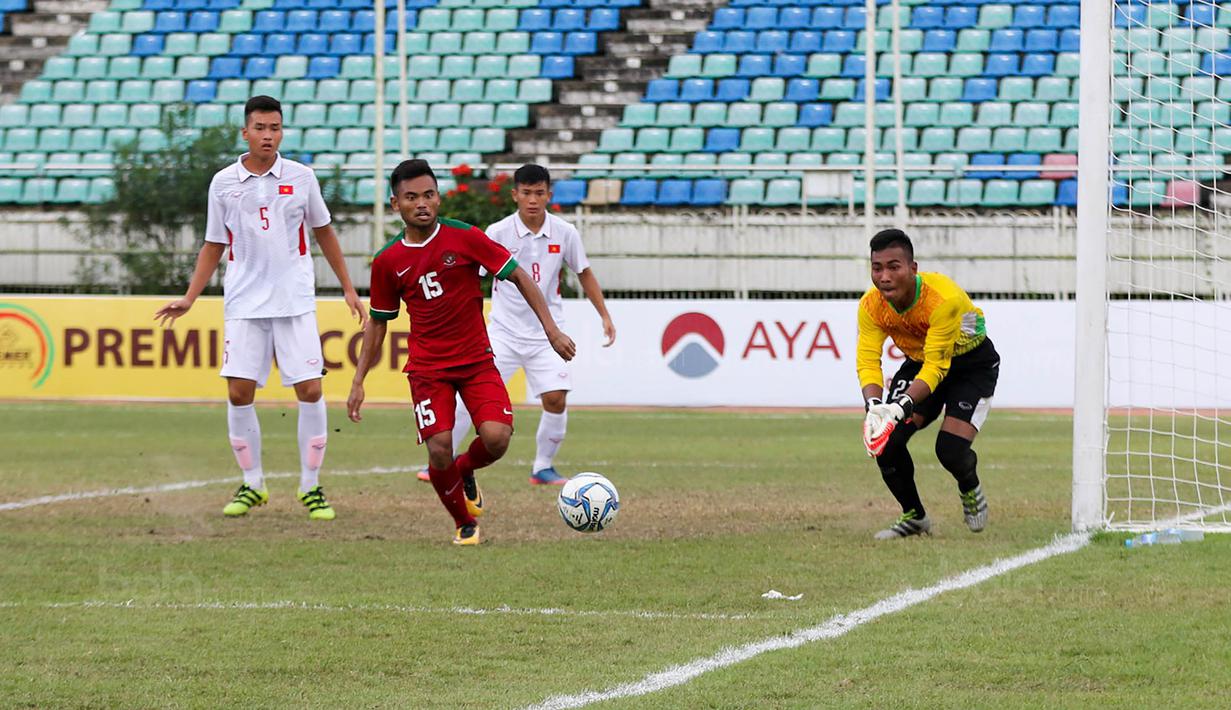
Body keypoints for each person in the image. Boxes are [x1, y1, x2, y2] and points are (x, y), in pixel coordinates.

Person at [155, 95, 366, 520]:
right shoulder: (223, 182)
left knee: (309, 389)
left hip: (294, 300)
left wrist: (348, 288)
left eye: (275, 128)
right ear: (245, 132)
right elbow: (214, 243)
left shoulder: (302, 177)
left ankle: (311, 486)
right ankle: (253, 484)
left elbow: (324, 232)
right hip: (244, 302)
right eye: (261, 128)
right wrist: (190, 297)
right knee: (238, 391)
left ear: (281, 132)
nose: (268, 136)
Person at [347, 159, 575, 545]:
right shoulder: (387, 262)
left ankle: (466, 469)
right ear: (394, 204)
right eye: (411, 197)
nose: (422, 203)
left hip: (476, 362)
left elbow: (518, 275)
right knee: (438, 450)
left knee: (497, 438)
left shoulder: (465, 236)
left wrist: (551, 330)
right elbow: (379, 321)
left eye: (429, 195)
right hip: (428, 369)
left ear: (438, 198)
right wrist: (358, 381)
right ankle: (463, 523)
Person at [416, 164, 615, 487]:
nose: (533, 200)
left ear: (549, 195)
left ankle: (542, 467)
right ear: (515, 195)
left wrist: (604, 315)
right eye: (526, 193)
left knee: (556, 397)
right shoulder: (497, 232)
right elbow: (472, 280)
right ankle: (444, 459)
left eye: (539, 193)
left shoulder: (566, 232)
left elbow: (584, 272)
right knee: (470, 395)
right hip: (502, 333)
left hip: (547, 335)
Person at [857, 229, 1000, 540]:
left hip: (971, 365)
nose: (883, 277)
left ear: (913, 268)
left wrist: (900, 405)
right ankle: (914, 516)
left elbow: (938, 367)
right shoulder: (870, 306)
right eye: (876, 268)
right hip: (922, 361)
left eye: (893, 266)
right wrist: (874, 407)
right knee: (888, 439)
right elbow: (868, 358)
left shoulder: (942, 299)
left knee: (949, 451)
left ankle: (969, 485)